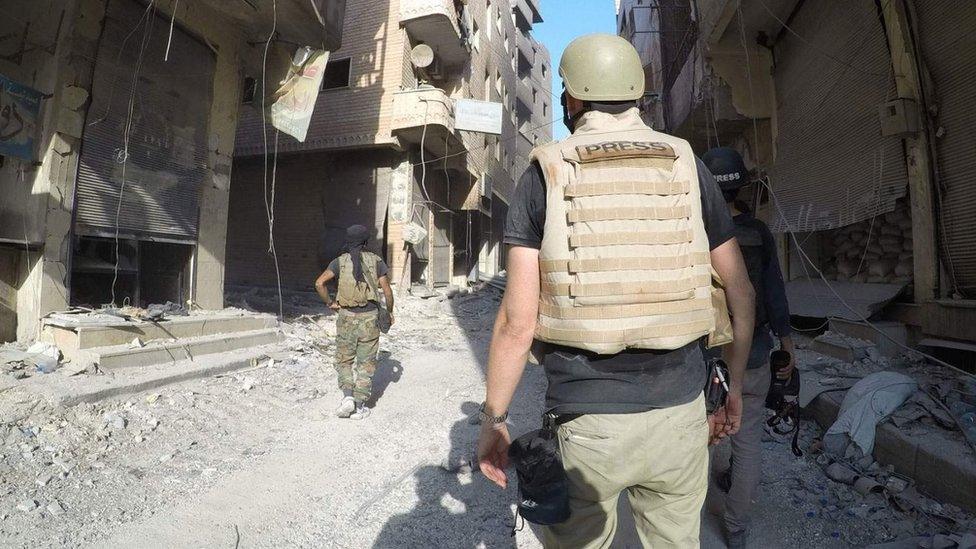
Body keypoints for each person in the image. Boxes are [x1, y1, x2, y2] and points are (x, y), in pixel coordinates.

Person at [476, 34, 756, 548]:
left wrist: (494, 419)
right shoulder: (687, 165)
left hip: (588, 427)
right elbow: (739, 292)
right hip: (680, 417)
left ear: (573, 98)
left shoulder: (546, 171)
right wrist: (732, 386)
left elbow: (517, 324)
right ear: (636, 93)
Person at [703, 147, 795, 548]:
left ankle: (697, 510)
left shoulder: (695, 232)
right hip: (754, 355)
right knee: (749, 440)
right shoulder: (757, 233)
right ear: (741, 185)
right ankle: (736, 528)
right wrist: (787, 344)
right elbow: (774, 292)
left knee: (706, 434)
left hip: (704, 362)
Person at [314, 224, 395, 420]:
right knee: (366, 362)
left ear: (348, 241)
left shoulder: (338, 262)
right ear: (366, 241)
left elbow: (319, 283)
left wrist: (330, 303)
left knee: (344, 359)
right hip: (369, 319)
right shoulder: (377, 261)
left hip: (346, 318)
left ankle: (347, 398)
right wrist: (389, 312)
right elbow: (387, 291)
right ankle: (359, 407)